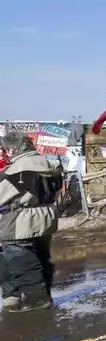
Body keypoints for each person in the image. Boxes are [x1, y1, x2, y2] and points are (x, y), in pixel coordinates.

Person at [0, 132, 62, 313]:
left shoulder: (15, 170)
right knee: (42, 257)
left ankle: (37, 299)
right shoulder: (47, 164)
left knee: (21, 259)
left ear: (11, 149)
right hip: (46, 216)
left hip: (20, 221)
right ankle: (42, 294)